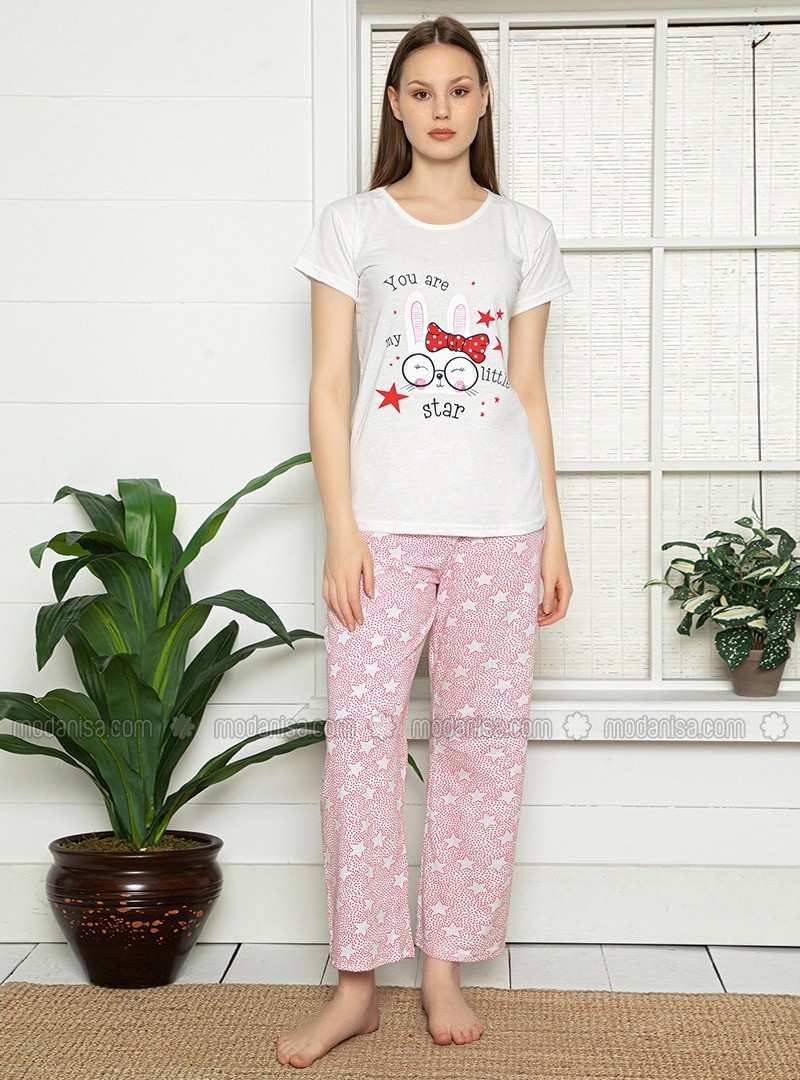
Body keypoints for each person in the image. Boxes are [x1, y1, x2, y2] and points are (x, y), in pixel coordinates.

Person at [276, 14, 574, 1070]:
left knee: (479, 747)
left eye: (458, 89)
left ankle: (444, 965)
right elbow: (327, 387)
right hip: (383, 529)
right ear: (395, 106)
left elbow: (527, 393)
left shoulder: (523, 233)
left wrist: (554, 535)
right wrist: (340, 529)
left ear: (482, 104)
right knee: (360, 746)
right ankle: (358, 984)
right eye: (420, 90)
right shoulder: (352, 226)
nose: (440, 108)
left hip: (502, 526)